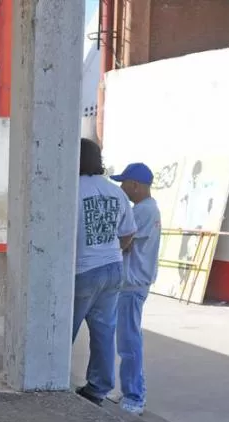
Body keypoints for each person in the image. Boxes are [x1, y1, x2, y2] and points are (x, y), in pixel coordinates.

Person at [73, 139, 137, 406]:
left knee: (65, 328)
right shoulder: (115, 192)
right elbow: (128, 232)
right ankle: (98, 388)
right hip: (113, 268)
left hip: (83, 269)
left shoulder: (72, 190)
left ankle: (49, 378)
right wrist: (109, 251)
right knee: (104, 331)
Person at [110, 162, 162, 415]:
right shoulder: (147, 208)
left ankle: (135, 396)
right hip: (134, 283)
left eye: (124, 183)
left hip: (132, 284)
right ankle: (128, 388)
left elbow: (124, 243)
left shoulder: (142, 211)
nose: (122, 188)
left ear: (135, 185)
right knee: (127, 339)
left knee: (129, 341)